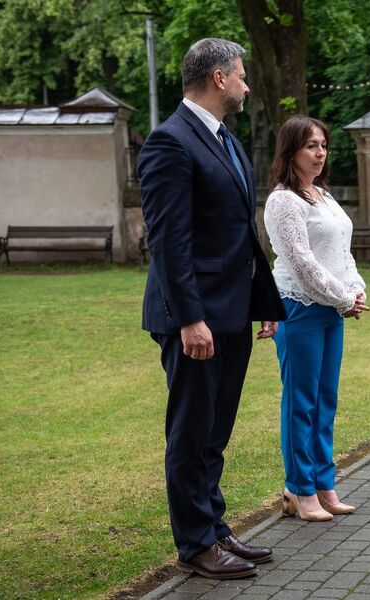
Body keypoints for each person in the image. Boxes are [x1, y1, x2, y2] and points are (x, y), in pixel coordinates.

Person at [139, 38, 286, 579]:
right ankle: (196, 545)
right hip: (194, 320)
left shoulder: (226, 139)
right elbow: (170, 242)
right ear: (219, 79)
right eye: (242, 75)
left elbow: (239, 234)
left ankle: (216, 528)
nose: (247, 84)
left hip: (231, 311)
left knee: (216, 431)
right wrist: (189, 318)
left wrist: (259, 301)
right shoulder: (169, 143)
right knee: (191, 430)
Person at [264, 116, 369, 522]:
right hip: (299, 308)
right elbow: (301, 261)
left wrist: (356, 289)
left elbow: (343, 251)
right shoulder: (283, 201)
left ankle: (324, 485)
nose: (320, 152)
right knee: (301, 403)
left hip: (332, 308)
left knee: (326, 401)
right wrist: (343, 297)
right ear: (290, 150)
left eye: (323, 145)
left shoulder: (323, 197)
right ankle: (299, 490)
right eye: (311, 145)